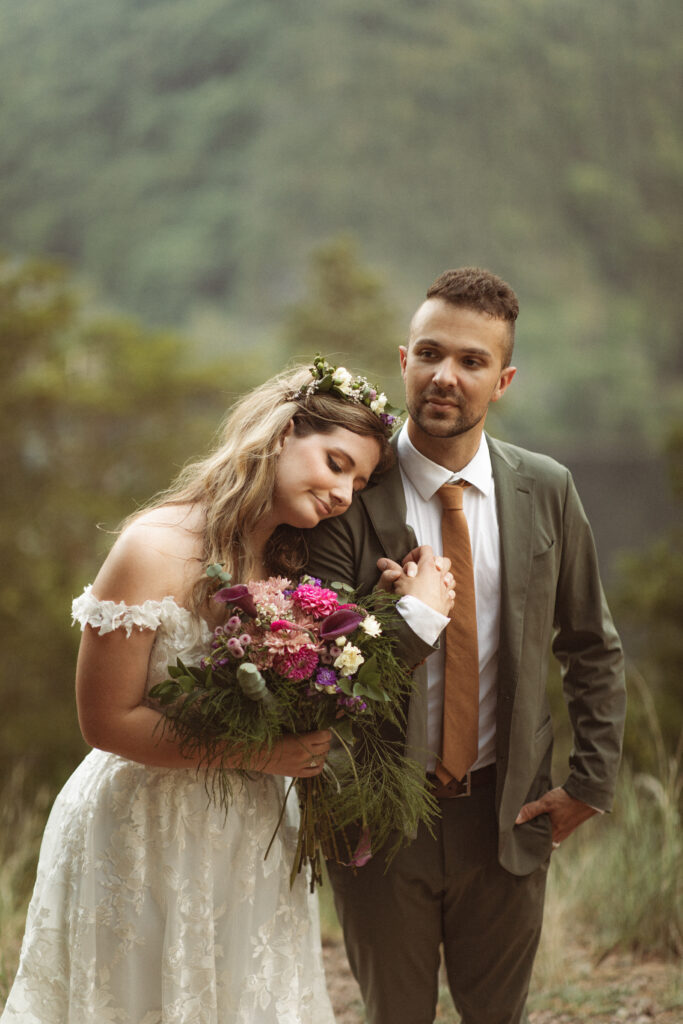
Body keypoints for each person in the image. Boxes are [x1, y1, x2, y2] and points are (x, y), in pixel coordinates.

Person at [1, 362, 452, 1024]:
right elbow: (104, 722)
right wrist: (260, 757)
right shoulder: (151, 546)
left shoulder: (292, 569)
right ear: (282, 432)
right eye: (334, 463)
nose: (342, 494)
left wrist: (400, 612)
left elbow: (319, 694)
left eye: (357, 482)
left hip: (251, 839)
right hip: (142, 832)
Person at [306, 268, 627, 1024]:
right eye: (429, 353)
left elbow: (590, 646)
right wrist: (395, 617)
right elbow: (318, 666)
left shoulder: (546, 489)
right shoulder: (345, 495)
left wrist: (589, 782)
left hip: (505, 815)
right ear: (403, 360)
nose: (444, 375)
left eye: (471, 361)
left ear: (502, 379)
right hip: (378, 822)